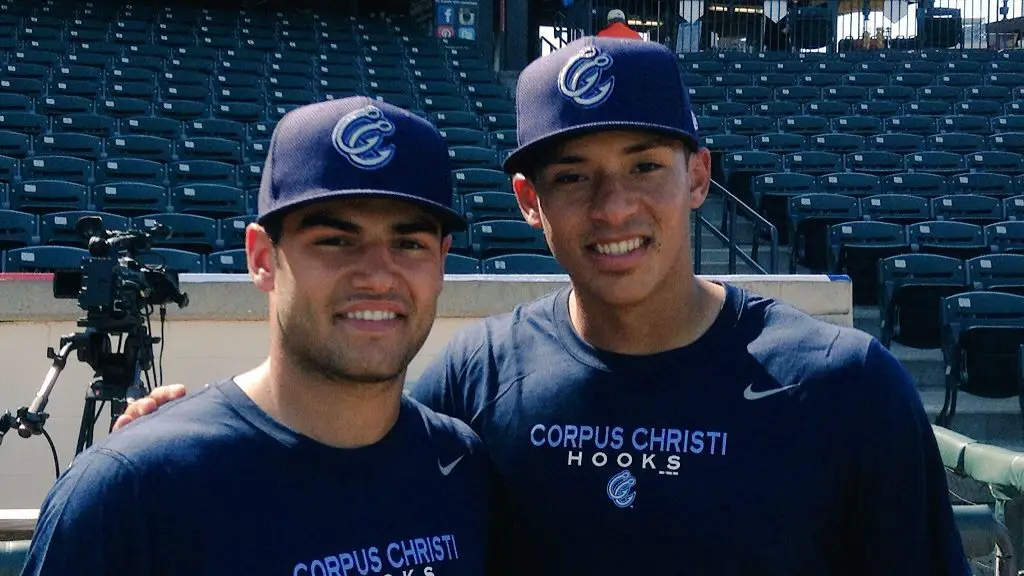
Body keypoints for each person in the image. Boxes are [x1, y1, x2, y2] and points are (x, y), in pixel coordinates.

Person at [114, 38, 972, 575]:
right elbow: (345, 456)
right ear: (530, 201)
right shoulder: (475, 378)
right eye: (573, 178)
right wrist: (176, 443)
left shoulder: (844, 386)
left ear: (699, 178)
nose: (612, 208)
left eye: (644, 166)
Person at [21, 97, 490, 575]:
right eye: (335, 240)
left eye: (409, 243)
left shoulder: (461, 465)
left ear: (441, 263)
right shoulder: (131, 491)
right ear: (262, 258)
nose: (377, 275)